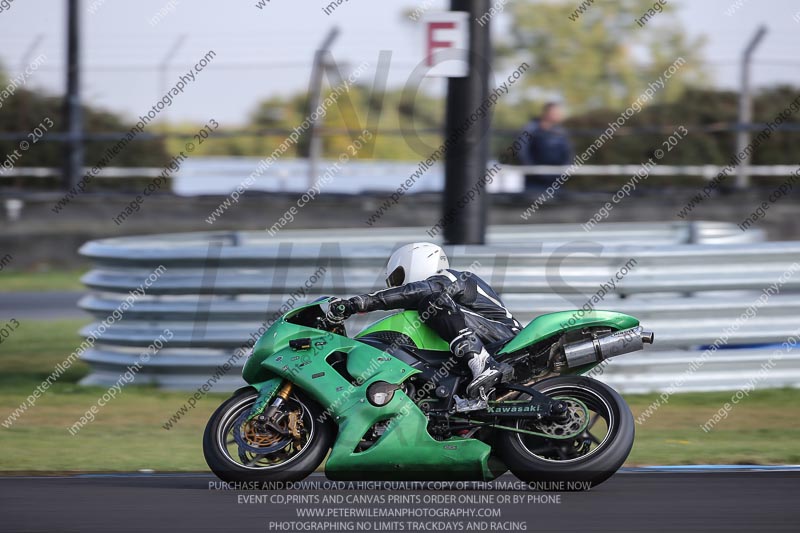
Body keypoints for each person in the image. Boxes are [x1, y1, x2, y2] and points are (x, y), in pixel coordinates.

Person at [327, 242, 521, 399]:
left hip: (506, 338)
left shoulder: (450, 277)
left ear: (416, 262)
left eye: (397, 278)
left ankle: (484, 363)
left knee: (433, 302)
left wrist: (359, 303)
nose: (398, 285)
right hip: (490, 337)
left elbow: (419, 290)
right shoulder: (443, 316)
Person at [520, 102, 573, 191]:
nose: (559, 115)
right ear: (546, 113)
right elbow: (523, 152)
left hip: (556, 181)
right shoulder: (531, 128)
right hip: (534, 183)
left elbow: (568, 153)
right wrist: (535, 171)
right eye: (555, 113)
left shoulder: (561, 131)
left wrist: (562, 173)